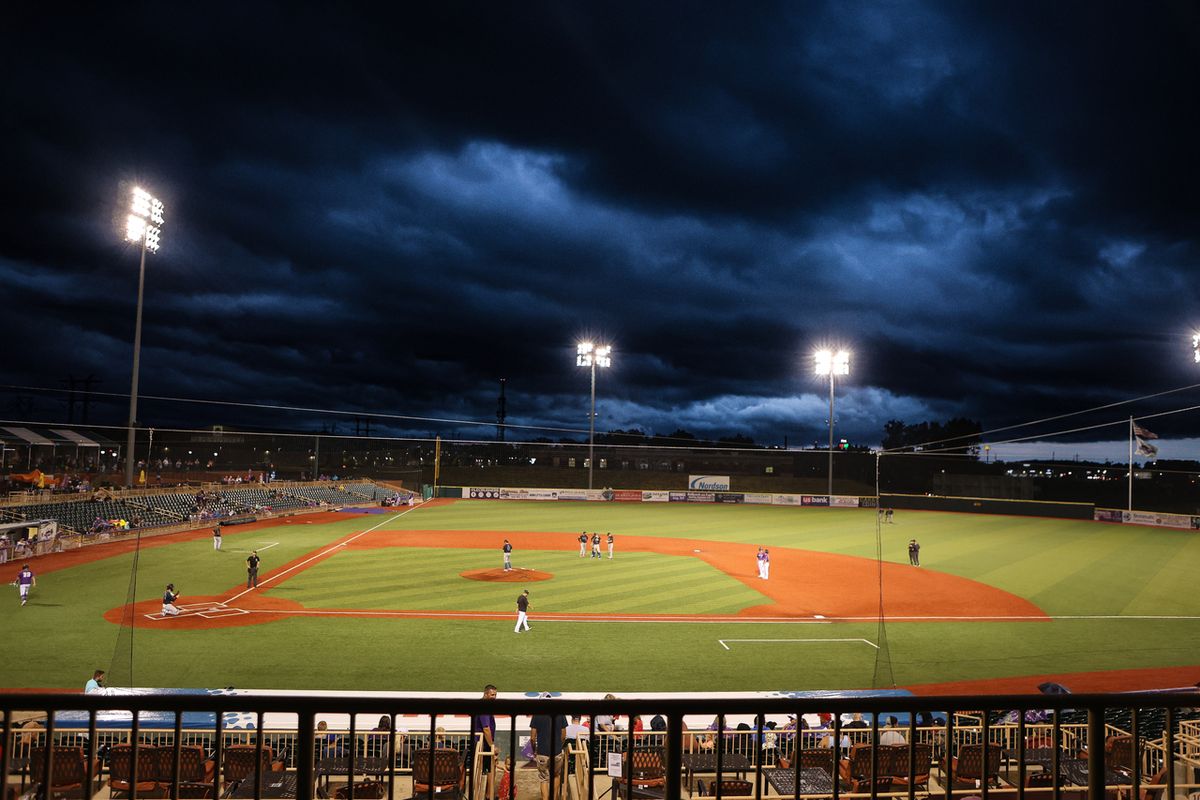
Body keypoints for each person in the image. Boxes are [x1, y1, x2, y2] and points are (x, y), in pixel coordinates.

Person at [529, 695, 568, 800]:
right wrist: (558, 746)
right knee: (556, 775)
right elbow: (563, 735)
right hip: (556, 752)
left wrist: (534, 750)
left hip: (542, 752)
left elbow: (532, 738)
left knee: (544, 779)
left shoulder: (537, 715)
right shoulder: (560, 714)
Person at [475, 684, 498, 797]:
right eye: (492, 695)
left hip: (482, 743)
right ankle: (489, 795)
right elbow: (486, 728)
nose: (494, 697)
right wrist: (492, 745)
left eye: (495, 695)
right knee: (490, 768)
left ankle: (487, 794)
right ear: (485, 694)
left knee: (487, 768)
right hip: (483, 744)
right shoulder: (484, 707)